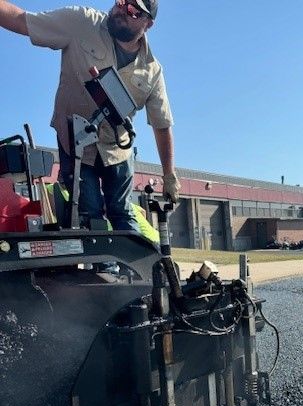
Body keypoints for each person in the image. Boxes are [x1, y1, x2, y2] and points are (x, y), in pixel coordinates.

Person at [0, 0, 181, 233]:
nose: (121, 10)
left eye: (133, 11)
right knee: (90, 214)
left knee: (122, 212)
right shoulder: (82, 23)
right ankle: (103, 269)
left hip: (117, 150)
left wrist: (169, 176)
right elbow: (23, 21)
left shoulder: (152, 70)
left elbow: (162, 124)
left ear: (148, 24)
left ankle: (132, 268)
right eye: (121, 2)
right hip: (76, 143)